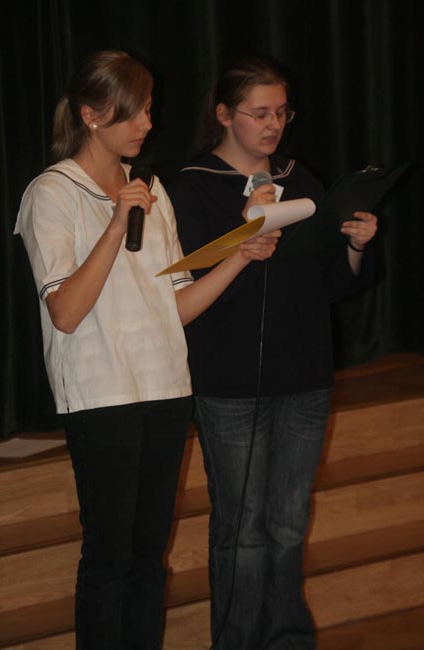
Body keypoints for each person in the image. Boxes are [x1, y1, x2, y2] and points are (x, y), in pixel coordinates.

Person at [14, 50, 280, 650]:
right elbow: (66, 311)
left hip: (165, 388)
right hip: (101, 394)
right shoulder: (51, 192)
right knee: (109, 558)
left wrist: (240, 254)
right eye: (133, 112)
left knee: (147, 557)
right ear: (91, 115)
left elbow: (175, 307)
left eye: (150, 110)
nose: (147, 125)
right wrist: (115, 224)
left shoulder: (151, 188)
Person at [167, 54, 378, 650]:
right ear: (224, 115)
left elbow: (334, 282)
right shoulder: (192, 186)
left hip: (305, 371)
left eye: (282, 112)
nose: (273, 125)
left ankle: (288, 638)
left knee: (287, 523)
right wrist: (243, 232)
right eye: (259, 113)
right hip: (230, 379)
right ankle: (236, 640)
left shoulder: (299, 176)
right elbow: (185, 284)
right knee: (242, 528)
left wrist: (357, 244)